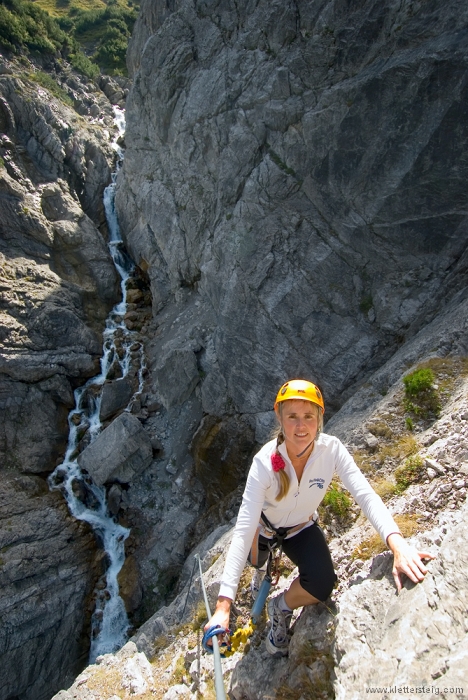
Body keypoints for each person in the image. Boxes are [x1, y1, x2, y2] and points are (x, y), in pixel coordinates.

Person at [204, 379, 433, 657]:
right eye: (292, 417)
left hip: (300, 528)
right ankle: (260, 572)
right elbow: (243, 530)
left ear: (319, 418)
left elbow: (365, 494)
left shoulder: (331, 450)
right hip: (263, 529)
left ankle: (281, 606)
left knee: (322, 584)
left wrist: (398, 545)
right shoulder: (265, 463)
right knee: (256, 560)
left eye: (308, 417)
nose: (301, 427)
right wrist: (223, 607)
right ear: (279, 417)